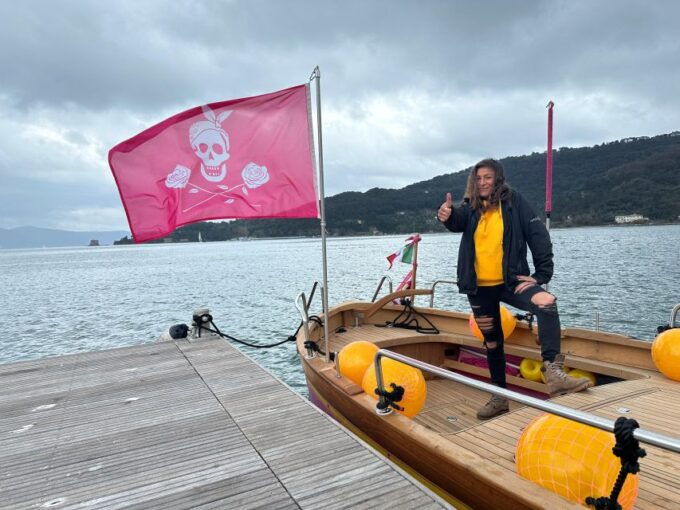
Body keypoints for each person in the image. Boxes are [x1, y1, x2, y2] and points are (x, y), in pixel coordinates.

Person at [437, 158, 591, 420]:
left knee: (546, 302)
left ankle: (553, 372)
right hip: (478, 287)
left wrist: (541, 274)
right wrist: (447, 215)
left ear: (497, 178)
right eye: (478, 178)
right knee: (493, 342)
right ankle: (500, 398)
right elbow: (457, 221)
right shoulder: (470, 207)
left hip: (510, 281)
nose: (483, 182)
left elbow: (537, 234)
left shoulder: (514, 202)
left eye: (488, 177)